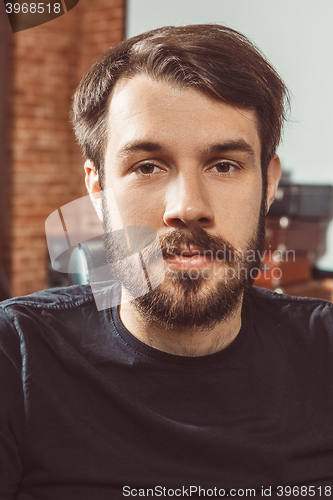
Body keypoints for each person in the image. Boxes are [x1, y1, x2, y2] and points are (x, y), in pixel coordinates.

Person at [0, 24, 332, 500]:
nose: (187, 206)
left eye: (224, 165)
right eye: (147, 166)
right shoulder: (18, 358)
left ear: (268, 183)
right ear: (97, 189)